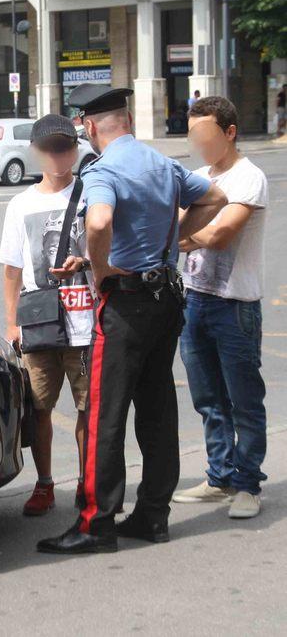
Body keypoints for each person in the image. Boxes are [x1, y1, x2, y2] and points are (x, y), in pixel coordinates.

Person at [37, 84, 227, 555]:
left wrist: (99, 269)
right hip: (165, 300)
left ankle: (95, 524)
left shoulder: (105, 170)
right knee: (158, 407)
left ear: (88, 126)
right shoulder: (161, 163)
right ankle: (153, 516)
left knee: (105, 414)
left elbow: (99, 223)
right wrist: (170, 245)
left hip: (125, 305)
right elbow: (215, 197)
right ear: (128, 122)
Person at [172, 96, 268, 518]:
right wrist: (189, 233)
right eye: (194, 135)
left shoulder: (250, 178)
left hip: (235, 305)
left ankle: (248, 484)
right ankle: (219, 476)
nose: (200, 143)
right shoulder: (196, 177)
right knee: (208, 398)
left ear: (229, 132)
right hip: (193, 300)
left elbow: (222, 234)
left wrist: (187, 236)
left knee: (244, 400)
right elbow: (172, 225)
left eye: (206, 134)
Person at [0, 114, 92, 516]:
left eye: (64, 147)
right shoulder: (21, 204)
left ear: (75, 148)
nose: (57, 156)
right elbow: (11, 271)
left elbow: (108, 253)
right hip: (39, 324)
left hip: (87, 322)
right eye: (49, 149)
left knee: (89, 407)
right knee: (39, 409)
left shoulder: (92, 193)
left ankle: (89, 483)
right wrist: (11, 324)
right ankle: (45, 483)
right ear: (36, 152)